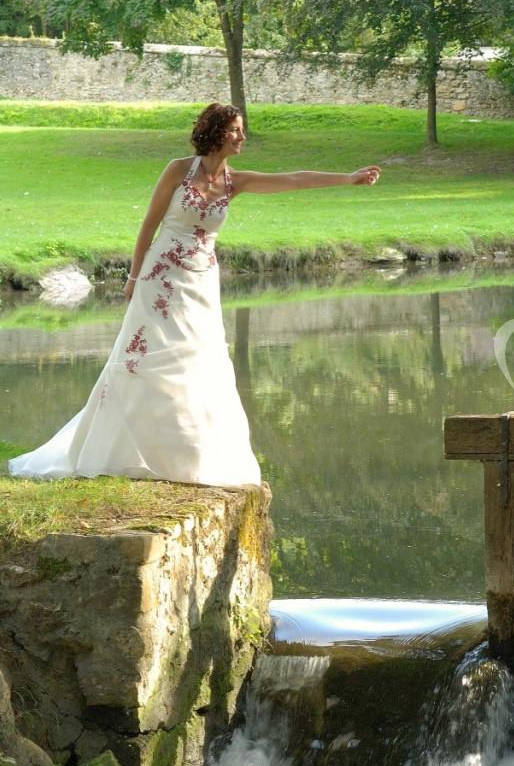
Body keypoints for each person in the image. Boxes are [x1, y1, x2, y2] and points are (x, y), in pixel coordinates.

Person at [8, 103, 381, 487]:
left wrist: (348, 178)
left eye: (242, 130)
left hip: (200, 283)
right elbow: (148, 225)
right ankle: (117, 450)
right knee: (144, 357)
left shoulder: (235, 182)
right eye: (236, 129)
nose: (242, 136)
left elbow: (294, 179)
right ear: (217, 131)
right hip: (159, 277)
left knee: (196, 361)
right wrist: (134, 277)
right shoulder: (177, 170)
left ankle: (182, 457)